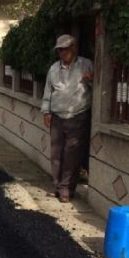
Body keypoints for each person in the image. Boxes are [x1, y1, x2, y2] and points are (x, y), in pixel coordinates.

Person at [41, 34, 93, 203]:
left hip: (77, 116)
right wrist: (46, 112)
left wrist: (91, 80)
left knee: (72, 154)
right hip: (56, 116)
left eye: (65, 49)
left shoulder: (86, 65)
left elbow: (97, 86)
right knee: (56, 153)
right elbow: (48, 91)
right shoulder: (54, 68)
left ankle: (67, 188)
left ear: (73, 49)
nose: (62, 53)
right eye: (60, 50)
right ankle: (58, 186)